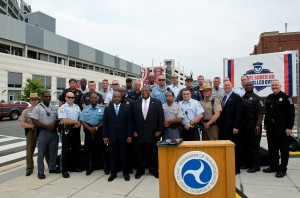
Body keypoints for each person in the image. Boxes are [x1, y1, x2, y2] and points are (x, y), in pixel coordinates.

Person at [263, 79, 295, 178]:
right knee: (272, 147)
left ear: (280, 86)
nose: (274, 87)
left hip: (282, 126)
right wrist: (265, 124)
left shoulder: (286, 97)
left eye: (276, 85)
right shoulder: (269, 97)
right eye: (272, 85)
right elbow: (267, 112)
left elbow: (291, 114)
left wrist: (289, 127)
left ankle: (282, 169)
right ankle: (274, 166)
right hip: (271, 126)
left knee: (283, 148)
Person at [132, 86, 164, 179]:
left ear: (150, 91)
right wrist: (134, 130)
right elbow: (133, 119)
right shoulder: (135, 103)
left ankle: (154, 170)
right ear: (141, 92)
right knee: (140, 154)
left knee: (153, 154)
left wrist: (159, 130)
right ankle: (140, 171)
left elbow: (161, 118)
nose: (144, 92)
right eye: (142, 91)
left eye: (146, 90)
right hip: (139, 133)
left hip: (153, 133)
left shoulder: (157, 103)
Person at [103, 92, 132, 182]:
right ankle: (113, 173)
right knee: (112, 156)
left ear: (121, 98)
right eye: (115, 97)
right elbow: (105, 124)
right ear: (112, 98)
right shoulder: (108, 109)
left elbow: (130, 123)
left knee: (124, 156)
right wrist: (105, 136)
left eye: (118, 97)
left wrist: (129, 135)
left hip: (123, 137)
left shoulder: (126, 108)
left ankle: (125, 173)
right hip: (112, 137)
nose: (116, 98)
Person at [30, 91, 60, 179]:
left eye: (49, 97)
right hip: (43, 132)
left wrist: (54, 124)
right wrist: (46, 126)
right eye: (46, 97)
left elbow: (59, 118)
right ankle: (40, 172)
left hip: (53, 133)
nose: (48, 98)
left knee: (53, 152)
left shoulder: (54, 107)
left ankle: (52, 168)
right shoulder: (38, 108)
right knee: (41, 153)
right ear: (42, 97)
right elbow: (34, 121)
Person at [219, 81, 243, 175]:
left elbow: (239, 113)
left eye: (228, 85)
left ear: (232, 86)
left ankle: (236, 168)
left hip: (233, 128)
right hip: (225, 128)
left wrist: (236, 126)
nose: (227, 87)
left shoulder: (236, 98)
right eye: (225, 85)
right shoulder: (224, 97)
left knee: (235, 149)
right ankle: (228, 166)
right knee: (227, 148)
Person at [241, 81, 265, 173]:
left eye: (250, 85)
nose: (248, 86)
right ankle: (247, 163)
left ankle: (255, 166)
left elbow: (260, 114)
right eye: (246, 85)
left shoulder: (257, 98)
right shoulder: (242, 98)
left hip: (253, 124)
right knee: (245, 145)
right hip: (244, 125)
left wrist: (257, 126)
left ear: (253, 86)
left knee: (254, 146)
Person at [80, 93, 105, 176]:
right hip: (88, 130)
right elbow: (82, 120)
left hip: (99, 130)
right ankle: (90, 167)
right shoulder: (85, 109)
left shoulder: (102, 108)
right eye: (92, 98)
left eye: (95, 98)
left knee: (102, 149)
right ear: (89, 99)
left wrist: (97, 128)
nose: (93, 99)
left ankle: (104, 166)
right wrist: (89, 128)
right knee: (89, 149)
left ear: (97, 99)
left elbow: (104, 120)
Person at [58, 92, 82, 178]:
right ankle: (64, 169)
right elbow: (63, 120)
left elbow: (80, 117)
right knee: (66, 150)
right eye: (69, 97)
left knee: (76, 149)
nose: (71, 99)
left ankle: (74, 167)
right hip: (66, 130)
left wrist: (78, 123)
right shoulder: (62, 108)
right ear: (65, 98)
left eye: (72, 97)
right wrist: (75, 122)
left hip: (75, 130)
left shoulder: (76, 107)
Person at [19, 93, 40, 176]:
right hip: (31, 131)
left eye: (35, 99)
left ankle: (51, 166)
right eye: (32, 99)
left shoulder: (42, 108)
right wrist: (32, 126)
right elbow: (22, 123)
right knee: (29, 151)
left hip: (42, 130)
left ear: (38, 100)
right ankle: (29, 168)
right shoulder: (26, 110)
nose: (34, 101)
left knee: (45, 149)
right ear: (30, 100)